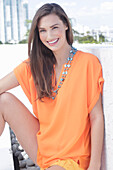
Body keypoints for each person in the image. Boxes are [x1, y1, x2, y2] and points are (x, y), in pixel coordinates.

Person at [0, 3, 104, 170]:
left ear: (65, 25)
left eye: (54, 27)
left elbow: (96, 117)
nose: (49, 35)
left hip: (73, 156)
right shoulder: (35, 65)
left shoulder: (87, 63)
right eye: (42, 30)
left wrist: (95, 165)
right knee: (3, 100)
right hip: (44, 146)